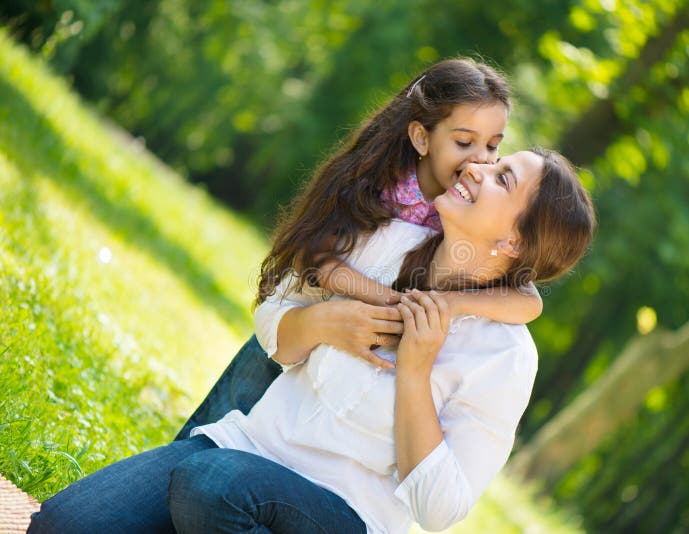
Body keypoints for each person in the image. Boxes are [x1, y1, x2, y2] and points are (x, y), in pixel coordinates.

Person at [29, 148, 595, 533]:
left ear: (516, 243)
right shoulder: (390, 242)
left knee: (210, 488)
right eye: (492, 160)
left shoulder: (505, 357)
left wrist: (415, 375)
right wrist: (326, 324)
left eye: (503, 178)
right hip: (247, 448)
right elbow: (274, 315)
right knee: (62, 524)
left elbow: (439, 508)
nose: (476, 166)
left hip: (343, 514)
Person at [175, 58, 542, 441]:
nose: (480, 159)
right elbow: (313, 257)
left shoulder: (470, 213)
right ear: (421, 138)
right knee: (207, 435)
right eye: (464, 142)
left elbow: (529, 302)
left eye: (493, 146)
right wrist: (388, 300)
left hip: (334, 373)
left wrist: (448, 305)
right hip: (298, 323)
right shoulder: (380, 185)